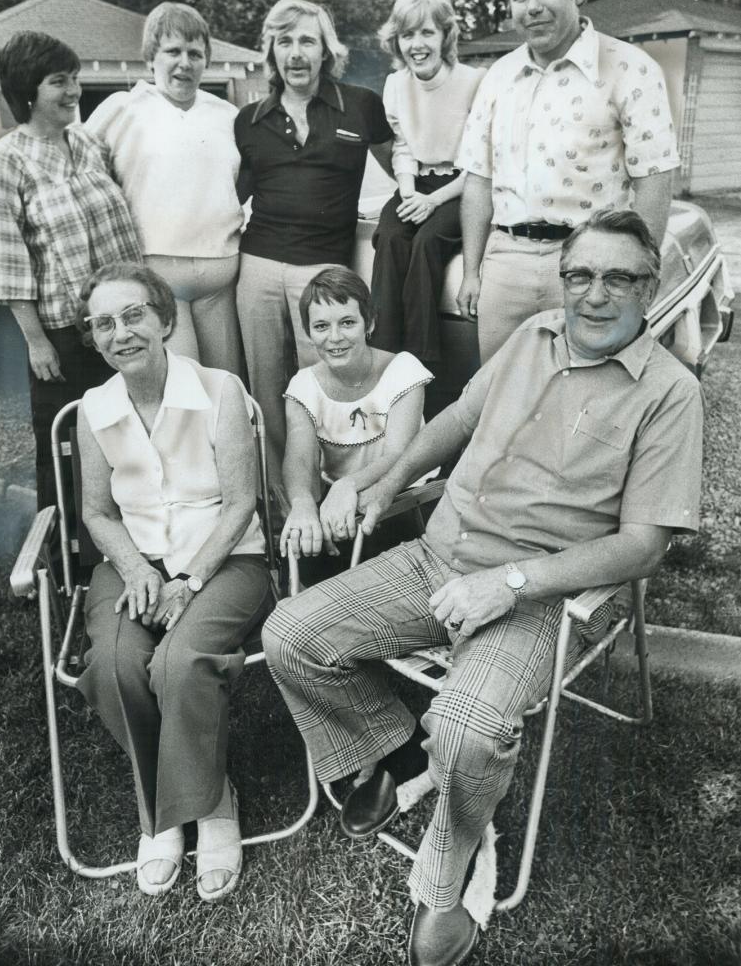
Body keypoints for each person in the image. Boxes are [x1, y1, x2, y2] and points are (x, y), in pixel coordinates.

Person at [263, 210, 703, 966]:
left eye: (617, 278)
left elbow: (642, 544)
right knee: (290, 635)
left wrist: (511, 582)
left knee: (469, 728)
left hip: (540, 594)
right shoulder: (533, 335)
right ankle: (400, 754)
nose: (594, 295)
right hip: (438, 555)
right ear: (561, 280)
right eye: (579, 275)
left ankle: (452, 862)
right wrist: (386, 480)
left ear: (648, 285)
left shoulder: (668, 393)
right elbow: (460, 417)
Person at [74, 262, 269, 902]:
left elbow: (242, 503)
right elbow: (97, 512)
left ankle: (211, 804)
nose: (121, 333)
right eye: (104, 323)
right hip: (135, 562)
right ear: (94, 338)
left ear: (165, 318)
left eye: (133, 315)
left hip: (223, 560)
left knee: (181, 662)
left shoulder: (218, 390)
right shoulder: (95, 410)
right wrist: (134, 568)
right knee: (114, 664)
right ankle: (164, 811)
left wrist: (186, 578)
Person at [456, 0, 680, 363]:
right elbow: (478, 180)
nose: (533, 6)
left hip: (593, 263)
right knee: (503, 393)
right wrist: (471, 271)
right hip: (507, 261)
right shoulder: (498, 77)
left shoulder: (630, 68)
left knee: (587, 394)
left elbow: (654, 180)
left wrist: (636, 275)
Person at [234, 0, 394, 486]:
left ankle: (336, 492)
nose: (297, 52)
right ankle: (283, 497)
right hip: (257, 266)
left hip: (323, 274)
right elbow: (227, 196)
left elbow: (404, 174)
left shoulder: (361, 106)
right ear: (272, 53)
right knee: (266, 386)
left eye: (308, 40)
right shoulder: (249, 119)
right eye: (285, 41)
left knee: (325, 382)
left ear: (327, 51)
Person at [0, 31, 142, 509]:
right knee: (69, 447)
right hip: (64, 337)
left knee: (130, 436)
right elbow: (6, 257)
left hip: (121, 323)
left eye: (75, 79)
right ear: (28, 91)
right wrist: (35, 340)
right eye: (60, 81)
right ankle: (62, 560)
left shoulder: (87, 145)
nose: (74, 91)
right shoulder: (4, 162)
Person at [86, 2, 243, 374]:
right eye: (172, 52)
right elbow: (80, 171)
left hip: (220, 272)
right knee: (182, 383)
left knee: (227, 381)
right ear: (150, 58)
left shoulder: (227, 114)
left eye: (195, 54)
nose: (184, 63)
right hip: (158, 276)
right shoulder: (123, 108)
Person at [280, 266, 432, 572]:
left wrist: (347, 486)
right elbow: (300, 460)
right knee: (306, 560)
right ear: (308, 333)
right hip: (340, 504)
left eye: (347, 322)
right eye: (321, 326)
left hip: (405, 498)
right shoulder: (303, 384)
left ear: (369, 322)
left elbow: (398, 454)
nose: (335, 338)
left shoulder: (402, 369)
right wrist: (304, 504)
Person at [370, 0, 485, 365]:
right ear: (396, 41)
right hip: (414, 184)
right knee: (389, 236)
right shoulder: (395, 84)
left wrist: (433, 200)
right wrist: (408, 194)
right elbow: (402, 147)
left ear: (445, 36)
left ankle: (420, 360)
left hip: (461, 188)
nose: (416, 44)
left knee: (427, 243)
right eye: (407, 35)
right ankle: (384, 354)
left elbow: (480, 164)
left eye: (426, 32)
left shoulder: (472, 82)